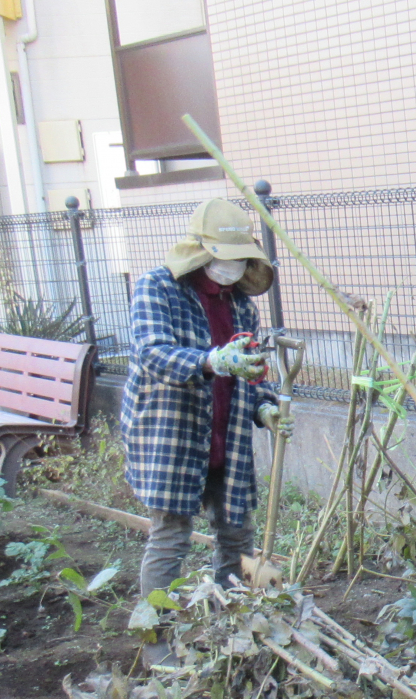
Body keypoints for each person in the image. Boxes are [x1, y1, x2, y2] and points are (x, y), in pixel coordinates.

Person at [123, 199, 289, 663]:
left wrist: (264, 409)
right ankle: (157, 645)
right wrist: (210, 360)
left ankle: (232, 632)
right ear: (200, 251)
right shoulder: (157, 288)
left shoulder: (241, 307)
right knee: (171, 536)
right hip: (171, 434)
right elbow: (152, 353)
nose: (229, 268)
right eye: (223, 257)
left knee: (236, 533)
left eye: (238, 259)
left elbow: (251, 373)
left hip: (226, 436)